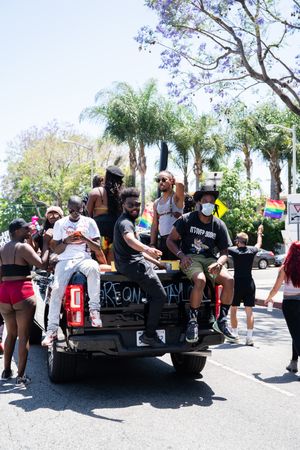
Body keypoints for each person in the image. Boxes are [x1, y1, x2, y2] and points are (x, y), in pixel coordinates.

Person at [166, 188, 235, 343]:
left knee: (229, 280)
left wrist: (219, 263)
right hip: (190, 258)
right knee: (201, 280)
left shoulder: (218, 224)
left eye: (212, 202)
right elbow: (170, 240)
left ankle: (222, 320)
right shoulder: (187, 219)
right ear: (199, 203)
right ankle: (192, 322)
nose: (209, 204)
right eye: (205, 202)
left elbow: (225, 252)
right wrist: (181, 256)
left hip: (210, 260)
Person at [41, 196, 103, 347]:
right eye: (72, 210)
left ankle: (95, 311)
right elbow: (56, 249)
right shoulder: (60, 224)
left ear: (82, 208)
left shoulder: (89, 222)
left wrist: (85, 238)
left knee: (94, 268)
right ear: (68, 208)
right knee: (56, 290)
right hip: (65, 260)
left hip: (84, 258)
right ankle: (52, 331)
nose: (75, 213)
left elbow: (98, 247)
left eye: (79, 210)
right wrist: (66, 241)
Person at [113, 187, 167, 347]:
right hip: (132, 265)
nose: (135, 208)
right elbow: (130, 241)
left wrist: (157, 263)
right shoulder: (125, 223)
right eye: (131, 205)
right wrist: (147, 248)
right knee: (160, 296)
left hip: (132, 262)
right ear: (123, 204)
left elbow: (135, 250)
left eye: (137, 204)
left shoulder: (129, 221)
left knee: (152, 295)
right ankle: (149, 335)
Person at [0, 218, 49, 385]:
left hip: (5, 292)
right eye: (25, 228)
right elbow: (42, 264)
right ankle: (21, 377)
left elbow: (1, 275)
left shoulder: (2, 248)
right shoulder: (23, 247)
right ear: (15, 231)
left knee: (10, 333)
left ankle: (6, 371)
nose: (29, 230)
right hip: (22, 291)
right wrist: (47, 244)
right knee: (23, 335)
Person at [265, 241, 300, 374]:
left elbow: (276, 288)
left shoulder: (285, 268)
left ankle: (294, 362)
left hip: (290, 304)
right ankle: (293, 363)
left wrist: (269, 297)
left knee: (296, 333)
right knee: (296, 333)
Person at [228, 224, 264, 346]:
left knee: (233, 309)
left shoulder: (234, 251)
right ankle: (249, 338)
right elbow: (258, 244)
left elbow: (223, 247)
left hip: (237, 283)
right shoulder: (251, 250)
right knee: (249, 311)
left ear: (238, 241)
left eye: (236, 240)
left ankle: (235, 335)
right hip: (249, 283)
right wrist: (259, 233)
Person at [86, 166, 124, 264]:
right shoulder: (122, 195)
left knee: (100, 264)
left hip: (99, 234)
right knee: (112, 265)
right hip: (116, 235)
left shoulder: (96, 192)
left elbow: (87, 217)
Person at [150, 170, 184, 260]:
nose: (161, 182)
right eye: (158, 180)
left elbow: (180, 184)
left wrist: (173, 178)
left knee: (177, 270)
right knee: (165, 269)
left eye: (164, 179)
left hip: (176, 241)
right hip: (163, 241)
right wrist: (152, 244)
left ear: (172, 181)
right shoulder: (156, 203)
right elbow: (154, 225)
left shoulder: (176, 198)